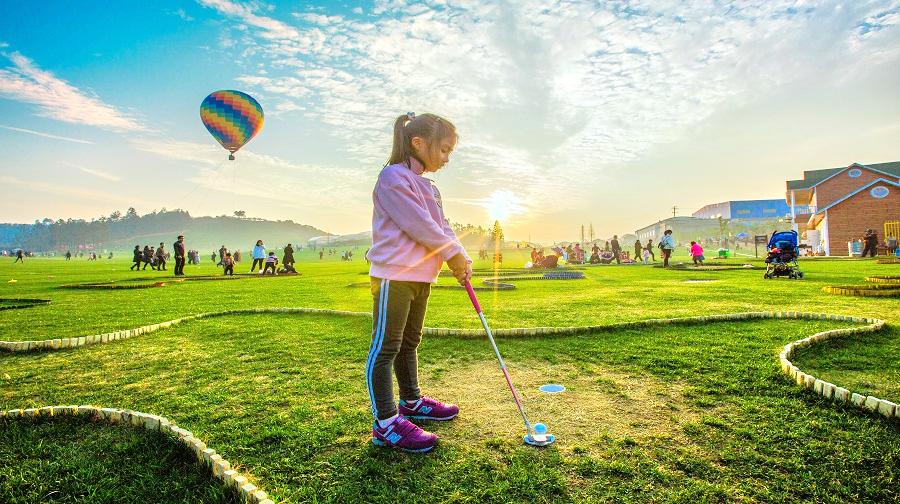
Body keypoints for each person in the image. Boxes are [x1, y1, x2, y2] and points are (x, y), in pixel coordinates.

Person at [366, 112, 470, 454]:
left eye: (450, 151)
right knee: (386, 347)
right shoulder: (393, 178)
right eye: (443, 149)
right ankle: (385, 423)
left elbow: (442, 226)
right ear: (418, 143)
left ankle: (411, 402)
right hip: (394, 275)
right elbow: (419, 224)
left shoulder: (429, 185)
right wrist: (450, 253)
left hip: (422, 275)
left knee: (410, 342)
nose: (446, 158)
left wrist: (461, 256)